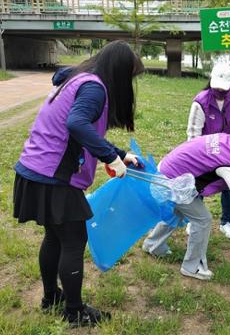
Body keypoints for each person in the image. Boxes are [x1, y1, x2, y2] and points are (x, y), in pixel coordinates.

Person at [13, 40, 145, 326]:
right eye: (130, 77)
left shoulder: (78, 79)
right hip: (54, 175)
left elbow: (77, 129)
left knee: (55, 237)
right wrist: (110, 157)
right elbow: (77, 123)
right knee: (73, 240)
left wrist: (122, 154)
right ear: (119, 72)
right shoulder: (95, 87)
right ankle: (74, 312)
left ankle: (52, 298)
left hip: (35, 168)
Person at [142, 132, 230, 280]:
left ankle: (152, 245)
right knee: (202, 220)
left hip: (165, 170)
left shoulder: (226, 140)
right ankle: (192, 267)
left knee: (180, 210)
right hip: (170, 181)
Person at [185, 63, 230, 240]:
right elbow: (193, 136)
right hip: (204, 152)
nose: (220, 92)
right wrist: (201, 159)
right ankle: (194, 220)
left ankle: (226, 222)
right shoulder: (200, 102)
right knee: (198, 185)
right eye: (217, 88)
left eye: (224, 88)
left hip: (227, 149)